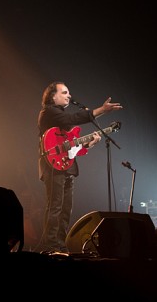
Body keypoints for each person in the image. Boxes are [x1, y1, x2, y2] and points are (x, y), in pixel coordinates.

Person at [36, 81, 122, 254]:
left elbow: (71, 146)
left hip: (66, 166)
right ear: (53, 96)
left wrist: (90, 145)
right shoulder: (49, 113)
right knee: (55, 207)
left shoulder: (60, 118)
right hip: (52, 166)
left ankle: (60, 245)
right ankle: (50, 245)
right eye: (65, 92)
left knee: (66, 209)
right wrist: (102, 110)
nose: (69, 95)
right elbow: (73, 119)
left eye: (69, 93)